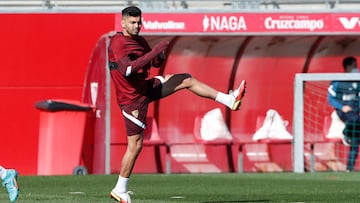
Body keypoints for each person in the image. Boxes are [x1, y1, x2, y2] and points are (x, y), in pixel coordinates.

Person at [108, 6, 247, 203]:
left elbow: (153, 63)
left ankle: (229, 100)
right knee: (135, 146)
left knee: (185, 79)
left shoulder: (139, 41)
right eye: (132, 22)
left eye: (139, 22)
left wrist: (160, 55)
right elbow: (127, 69)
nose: (137, 25)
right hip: (131, 100)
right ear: (122, 23)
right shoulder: (118, 42)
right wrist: (154, 51)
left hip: (145, 88)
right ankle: (119, 189)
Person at [328, 56, 360, 172]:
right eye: (354, 66)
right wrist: (342, 107)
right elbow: (330, 99)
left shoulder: (358, 81)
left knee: (356, 140)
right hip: (344, 112)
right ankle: (345, 133)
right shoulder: (338, 81)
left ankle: (349, 168)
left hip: (356, 115)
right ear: (347, 67)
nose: (357, 68)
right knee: (353, 121)